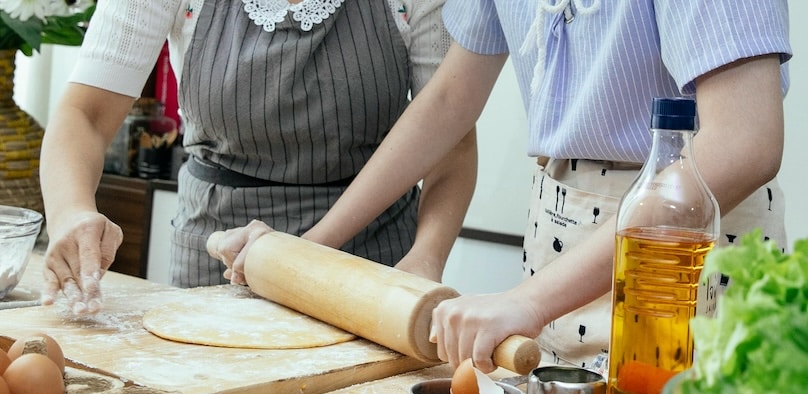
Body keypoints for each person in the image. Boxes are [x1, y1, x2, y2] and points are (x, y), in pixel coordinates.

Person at [211, 1, 792, 372]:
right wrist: (314, 245)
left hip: (682, 239)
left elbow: (744, 142)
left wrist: (527, 303)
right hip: (561, 230)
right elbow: (448, 100)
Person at [38, 0, 479, 315]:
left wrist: (426, 256)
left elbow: (451, 142)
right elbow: (86, 115)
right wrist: (71, 211)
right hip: (216, 257)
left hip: (367, 266)